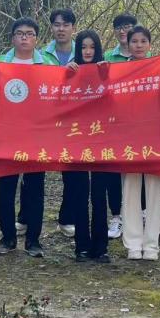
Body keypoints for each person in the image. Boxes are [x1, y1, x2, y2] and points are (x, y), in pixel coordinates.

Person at [0, 17, 55, 258]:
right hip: (7, 137)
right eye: (19, 33)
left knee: (35, 190)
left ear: (36, 38)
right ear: (12, 37)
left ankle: (34, 241)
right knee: (6, 191)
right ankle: (7, 238)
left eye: (29, 33)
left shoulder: (48, 63)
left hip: (37, 137)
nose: (24, 37)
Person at [65, 30, 112, 263]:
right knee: (79, 194)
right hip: (75, 140)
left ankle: (101, 248)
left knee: (99, 196)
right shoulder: (69, 70)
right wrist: (66, 76)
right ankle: (81, 247)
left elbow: (115, 101)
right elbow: (58, 101)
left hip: (101, 139)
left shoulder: (106, 69)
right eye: (83, 47)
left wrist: (106, 76)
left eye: (92, 47)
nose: (88, 51)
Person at [120, 25, 160, 260]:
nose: (138, 45)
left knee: (155, 189)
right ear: (127, 44)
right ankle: (133, 244)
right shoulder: (119, 70)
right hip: (129, 137)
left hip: (156, 137)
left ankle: (152, 245)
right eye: (134, 41)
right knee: (130, 189)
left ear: (149, 44)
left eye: (143, 41)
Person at [41, 8, 78, 238]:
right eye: (56, 24)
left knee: (72, 171)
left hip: (74, 122)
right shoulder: (41, 55)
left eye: (65, 24)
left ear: (73, 28)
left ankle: (67, 218)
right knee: (34, 168)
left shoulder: (83, 51)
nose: (61, 29)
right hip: (46, 121)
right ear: (52, 28)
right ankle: (25, 218)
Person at [101, 12, 138, 238]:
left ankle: (140, 214)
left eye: (127, 26)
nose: (123, 31)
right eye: (119, 27)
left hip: (139, 125)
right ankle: (116, 216)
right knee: (113, 173)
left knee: (139, 169)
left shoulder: (147, 57)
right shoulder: (106, 57)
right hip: (112, 126)